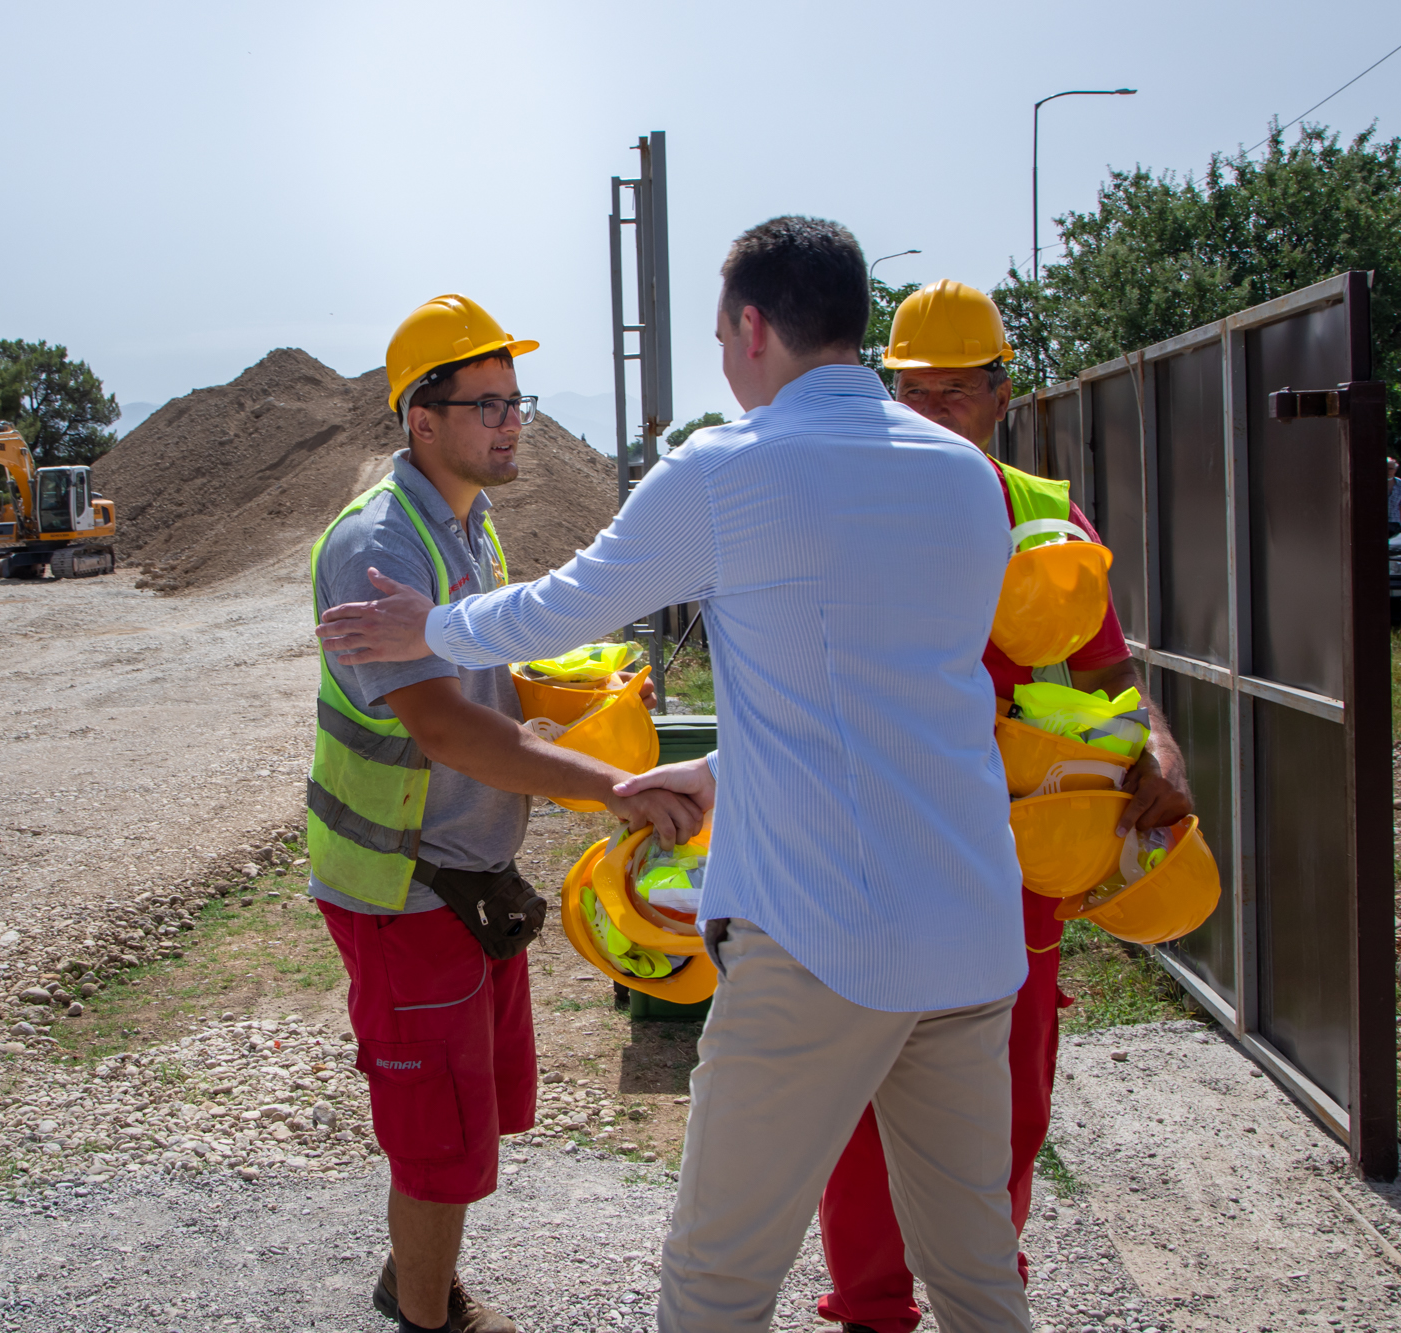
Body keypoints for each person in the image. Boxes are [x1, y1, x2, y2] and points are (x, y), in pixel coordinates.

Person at [320, 218, 1036, 1333]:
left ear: (752, 327)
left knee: (716, 1279)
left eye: (717, 334)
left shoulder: (728, 467)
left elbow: (569, 601)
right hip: (970, 934)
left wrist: (437, 624)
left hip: (820, 939)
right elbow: (884, 703)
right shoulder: (963, 477)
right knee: (977, 1269)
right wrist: (722, 766)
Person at [307, 293, 700, 1333]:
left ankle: (416, 1283)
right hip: (404, 884)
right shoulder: (382, 543)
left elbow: (487, 676)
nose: (508, 422)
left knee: (462, 1122)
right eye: (483, 404)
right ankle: (426, 1317)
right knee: (437, 1140)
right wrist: (609, 784)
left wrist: (584, 701)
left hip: (459, 876)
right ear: (417, 418)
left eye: (513, 402)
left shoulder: (467, 528)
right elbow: (442, 727)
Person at [807, 279, 1193, 1333]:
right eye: (913, 394)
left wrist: (1158, 751)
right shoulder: (839, 509)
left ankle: (984, 1294)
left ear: (998, 393)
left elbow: (1111, 677)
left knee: (1007, 1113)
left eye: (956, 394)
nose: (934, 414)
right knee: (864, 1116)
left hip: (1009, 872)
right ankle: (871, 1312)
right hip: (871, 860)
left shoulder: (1041, 518)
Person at [1388, 457, 1401, 536]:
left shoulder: (1399, 483)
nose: (1388, 471)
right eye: (1386, 468)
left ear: (1395, 470)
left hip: (1395, 522)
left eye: (1391, 469)